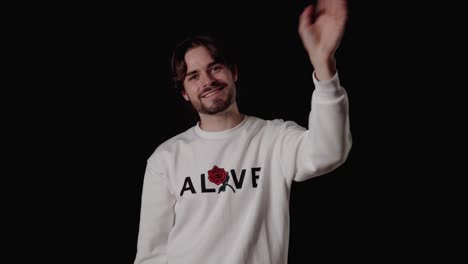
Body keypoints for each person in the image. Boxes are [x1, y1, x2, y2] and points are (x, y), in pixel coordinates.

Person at [134, 0, 351, 263]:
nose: (208, 81)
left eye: (215, 67)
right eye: (193, 76)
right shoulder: (165, 158)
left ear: (233, 72)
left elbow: (329, 152)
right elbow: (152, 254)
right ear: (184, 93)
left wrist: (323, 65)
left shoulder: (273, 138)